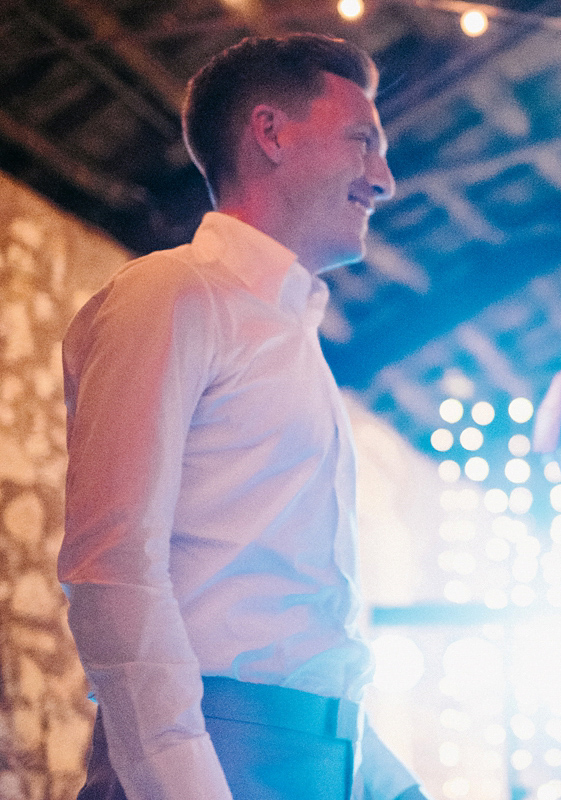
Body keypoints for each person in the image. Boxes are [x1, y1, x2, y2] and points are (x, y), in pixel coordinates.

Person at [59, 33, 427, 800]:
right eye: (363, 142)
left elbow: (295, 634)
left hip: (320, 759)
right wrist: (184, 782)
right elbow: (113, 567)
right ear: (271, 133)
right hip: (211, 761)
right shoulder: (170, 295)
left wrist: (383, 783)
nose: (384, 179)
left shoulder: (296, 341)